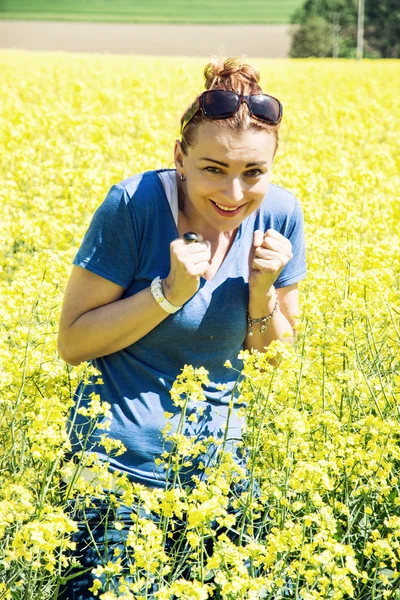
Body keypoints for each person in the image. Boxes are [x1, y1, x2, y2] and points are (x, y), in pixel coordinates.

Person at [57, 57, 306, 599]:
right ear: (180, 158)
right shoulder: (135, 205)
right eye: (213, 169)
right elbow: (72, 343)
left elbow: (276, 359)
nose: (235, 194)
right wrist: (168, 293)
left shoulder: (281, 215)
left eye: (254, 173)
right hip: (116, 471)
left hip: (219, 475)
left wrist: (262, 291)